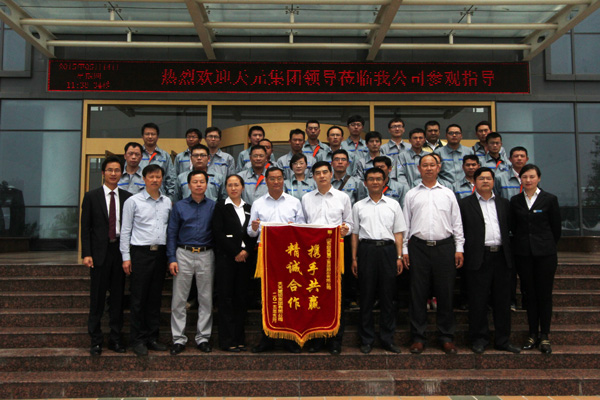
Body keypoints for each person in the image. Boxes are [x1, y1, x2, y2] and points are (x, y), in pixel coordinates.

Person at [402, 153, 464, 354]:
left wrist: (459, 248)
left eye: (432, 165)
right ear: (418, 169)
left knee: (445, 293)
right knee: (418, 294)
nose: (428, 168)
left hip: (444, 247)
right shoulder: (411, 194)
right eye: (425, 165)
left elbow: (457, 223)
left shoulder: (448, 194)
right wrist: (404, 250)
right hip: (418, 248)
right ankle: (418, 337)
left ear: (438, 168)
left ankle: (446, 337)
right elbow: (405, 225)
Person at [459, 167, 520, 354]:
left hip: (501, 256)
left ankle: (503, 340)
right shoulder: (465, 204)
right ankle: (479, 339)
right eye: (481, 178)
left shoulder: (504, 203)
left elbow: (512, 228)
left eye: (488, 178)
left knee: (502, 301)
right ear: (475, 182)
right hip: (478, 257)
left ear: (493, 182)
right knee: (478, 301)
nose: (485, 181)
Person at [248, 167, 306, 353]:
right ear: (266, 181)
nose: (276, 182)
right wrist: (254, 227)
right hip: (266, 254)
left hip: (288, 254)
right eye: (272, 179)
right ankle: (267, 338)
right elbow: (251, 232)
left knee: (289, 294)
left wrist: (293, 227)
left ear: (284, 180)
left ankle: (289, 338)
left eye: (279, 178)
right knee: (267, 296)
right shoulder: (258, 203)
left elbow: (303, 228)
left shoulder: (294, 202)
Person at [81, 156, 132, 355]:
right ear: (103, 173)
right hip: (99, 254)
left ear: (121, 173)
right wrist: (87, 253)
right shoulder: (91, 196)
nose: (113, 173)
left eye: (117, 170)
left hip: (119, 251)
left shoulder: (128, 197)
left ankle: (115, 339)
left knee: (118, 299)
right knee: (97, 299)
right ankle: (95, 340)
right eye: (110, 170)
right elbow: (86, 228)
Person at [352, 167, 406, 354]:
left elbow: (398, 233)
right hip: (366, 250)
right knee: (366, 296)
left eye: (378, 179)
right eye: (371, 179)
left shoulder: (393, 205)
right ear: (365, 183)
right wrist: (354, 258)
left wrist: (399, 256)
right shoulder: (358, 206)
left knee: (388, 297)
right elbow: (355, 234)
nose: (375, 182)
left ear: (384, 182)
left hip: (387, 251)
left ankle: (387, 339)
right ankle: (366, 339)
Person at [120, 164, 172, 356]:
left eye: (158, 176)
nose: (155, 180)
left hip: (160, 254)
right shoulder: (133, 201)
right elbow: (125, 230)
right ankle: (138, 339)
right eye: (151, 177)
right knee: (139, 298)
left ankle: (152, 337)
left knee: (155, 298)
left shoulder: (167, 201)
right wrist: (126, 257)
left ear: (162, 179)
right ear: (144, 179)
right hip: (140, 253)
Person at [301, 161, 353, 355]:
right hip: (313, 254)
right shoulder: (306, 198)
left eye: (325, 172)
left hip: (335, 252)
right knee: (314, 294)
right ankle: (316, 338)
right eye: (318, 173)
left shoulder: (342, 197)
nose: (321, 176)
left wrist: (346, 229)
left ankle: (335, 340)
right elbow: (302, 225)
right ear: (313, 177)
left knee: (335, 297)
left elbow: (350, 223)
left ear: (331, 174)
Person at [510, 164, 561, 354]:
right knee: (529, 295)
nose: (528, 180)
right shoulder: (515, 201)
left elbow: (556, 228)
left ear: (538, 178)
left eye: (532, 177)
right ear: (520, 179)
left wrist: (545, 245)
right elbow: (513, 227)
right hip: (524, 255)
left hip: (545, 255)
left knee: (544, 295)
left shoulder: (549, 199)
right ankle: (532, 333)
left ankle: (545, 335)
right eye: (525, 177)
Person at [167, 170, 216, 355]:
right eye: (195, 182)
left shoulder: (213, 206)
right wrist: (172, 258)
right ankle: (178, 339)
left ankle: (203, 338)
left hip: (206, 254)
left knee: (206, 299)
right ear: (188, 185)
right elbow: (171, 233)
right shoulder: (179, 206)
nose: (198, 185)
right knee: (179, 299)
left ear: (206, 184)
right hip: (183, 254)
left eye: (202, 181)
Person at [212, 175, 257, 352]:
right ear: (226, 188)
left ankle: (239, 339)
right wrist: (236, 251)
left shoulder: (249, 208)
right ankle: (227, 340)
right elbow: (218, 233)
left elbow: (253, 233)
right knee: (226, 299)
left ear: (242, 187)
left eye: (236, 185)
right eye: (230, 185)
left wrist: (246, 251)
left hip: (245, 260)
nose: (233, 188)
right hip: (226, 259)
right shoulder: (220, 207)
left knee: (241, 298)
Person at [138, 122, 176, 200]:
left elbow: (171, 179)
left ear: (157, 137)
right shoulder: (136, 154)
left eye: (153, 134)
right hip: (139, 197)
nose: (150, 136)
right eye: (147, 134)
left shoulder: (165, 155)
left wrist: (170, 198)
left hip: (160, 197)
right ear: (142, 136)